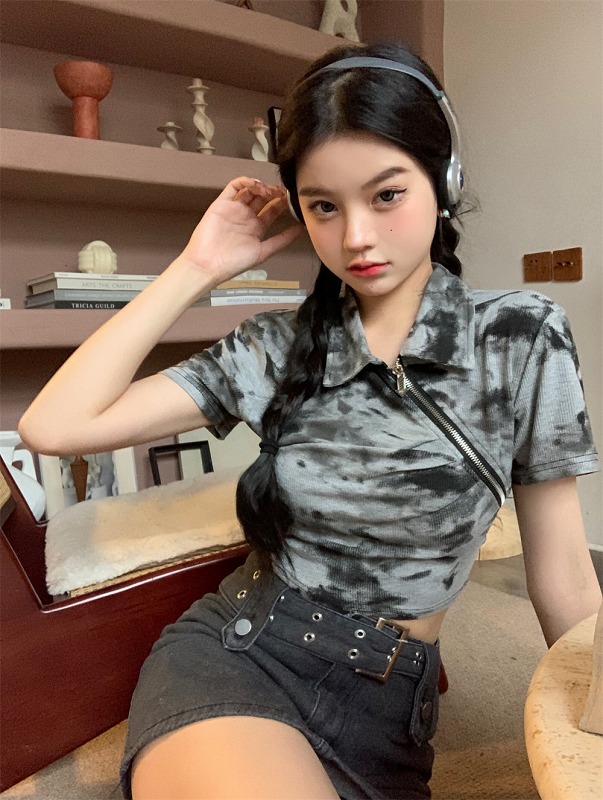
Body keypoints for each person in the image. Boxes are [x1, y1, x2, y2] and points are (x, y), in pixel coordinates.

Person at [19, 41, 601, 800]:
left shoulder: (521, 337)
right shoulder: (274, 346)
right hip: (241, 657)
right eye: (324, 205)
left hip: (390, 705)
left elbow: (563, 572)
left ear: (445, 180)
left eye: (385, 195)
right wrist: (197, 268)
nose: (355, 236)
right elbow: (54, 426)